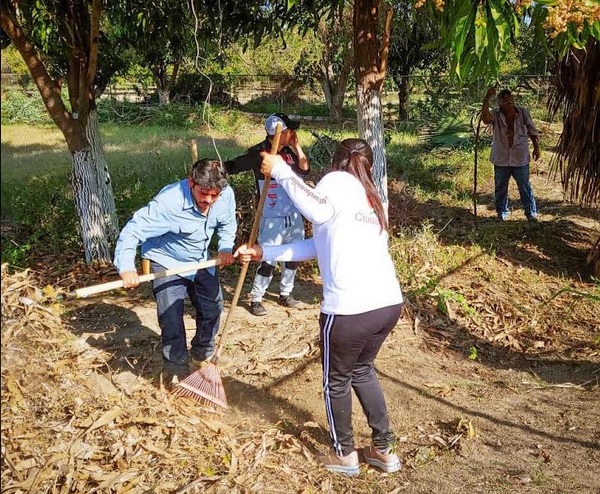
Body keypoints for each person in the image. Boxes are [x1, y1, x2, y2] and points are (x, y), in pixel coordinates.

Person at [235, 138, 404, 477]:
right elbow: (319, 244)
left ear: (335, 162)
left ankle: (344, 455)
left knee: (335, 381)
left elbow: (315, 210)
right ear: (369, 166)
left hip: (349, 311)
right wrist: (266, 252)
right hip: (387, 305)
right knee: (362, 370)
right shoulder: (371, 196)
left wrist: (280, 170)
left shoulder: (336, 182)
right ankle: (384, 450)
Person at [114, 159, 237, 378]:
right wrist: (126, 267)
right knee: (171, 318)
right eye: (203, 193)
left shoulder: (225, 195)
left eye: (214, 195)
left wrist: (226, 247)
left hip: (200, 260)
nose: (208, 200)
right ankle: (176, 369)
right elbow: (133, 230)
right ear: (191, 182)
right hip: (166, 260)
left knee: (213, 307)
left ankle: (202, 354)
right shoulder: (169, 202)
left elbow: (227, 224)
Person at [224, 113, 310, 316]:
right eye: (290, 130)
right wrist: (212, 170)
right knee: (267, 258)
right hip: (271, 215)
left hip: (293, 213)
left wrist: (297, 146)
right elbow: (233, 166)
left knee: (293, 256)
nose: (294, 133)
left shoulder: (288, 152)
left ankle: (286, 293)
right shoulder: (258, 153)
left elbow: (304, 170)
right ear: (281, 132)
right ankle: (256, 298)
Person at [482, 87, 541, 222]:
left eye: (509, 97)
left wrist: (536, 147)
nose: (507, 100)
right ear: (498, 102)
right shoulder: (495, 114)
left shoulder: (523, 113)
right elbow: (485, 119)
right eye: (503, 98)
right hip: (501, 158)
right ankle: (502, 212)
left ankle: (531, 213)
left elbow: (532, 130)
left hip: (520, 157)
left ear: (513, 99)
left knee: (524, 186)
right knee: (500, 186)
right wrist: (487, 98)